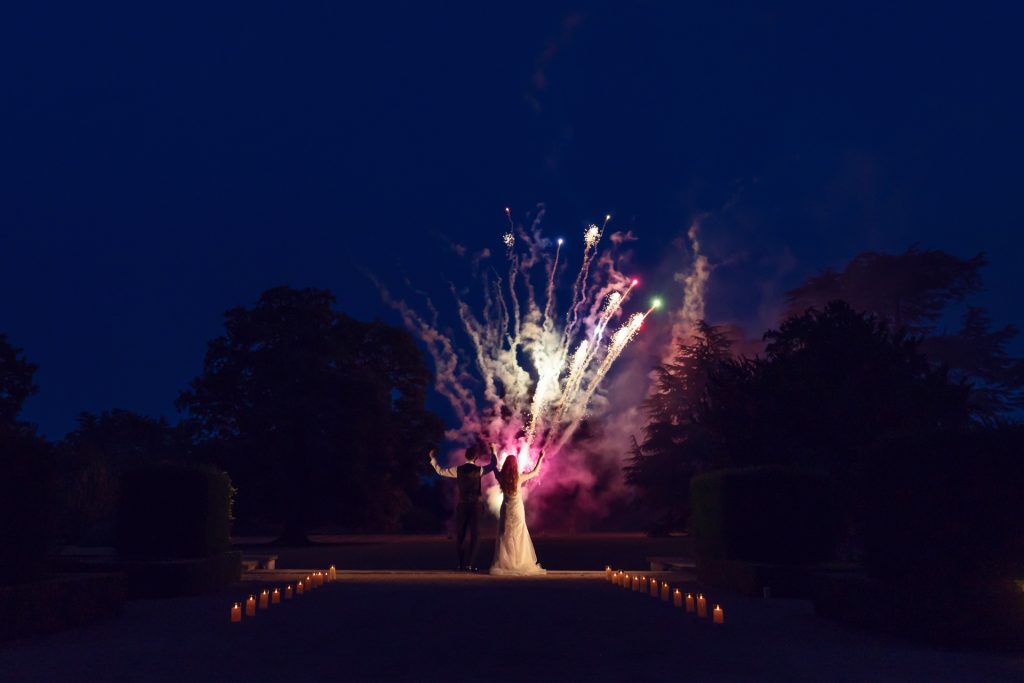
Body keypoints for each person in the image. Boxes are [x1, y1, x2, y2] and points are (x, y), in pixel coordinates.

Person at [428, 441, 498, 571]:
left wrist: (433, 459)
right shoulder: (480, 470)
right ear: (476, 458)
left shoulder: (457, 470)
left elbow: (440, 471)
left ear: (466, 457)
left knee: (461, 535)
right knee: (476, 535)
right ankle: (470, 564)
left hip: (462, 506)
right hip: (476, 505)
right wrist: (493, 450)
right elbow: (493, 465)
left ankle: (460, 564)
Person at [489, 451, 546, 575]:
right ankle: (519, 561)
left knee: (505, 535)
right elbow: (535, 472)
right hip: (517, 509)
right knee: (519, 534)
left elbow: (493, 466)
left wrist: (493, 450)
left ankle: (507, 562)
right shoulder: (519, 477)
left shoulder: (501, 477)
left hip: (506, 509)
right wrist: (541, 457)